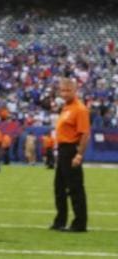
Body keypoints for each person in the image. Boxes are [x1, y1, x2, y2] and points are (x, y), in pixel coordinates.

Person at [50, 78, 89, 232]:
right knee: (59, 188)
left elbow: (84, 134)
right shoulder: (66, 107)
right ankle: (60, 221)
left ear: (75, 91)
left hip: (71, 149)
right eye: (62, 90)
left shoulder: (80, 109)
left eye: (68, 90)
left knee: (75, 188)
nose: (65, 93)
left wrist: (79, 155)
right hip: (62, 150)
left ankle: (80, 223)